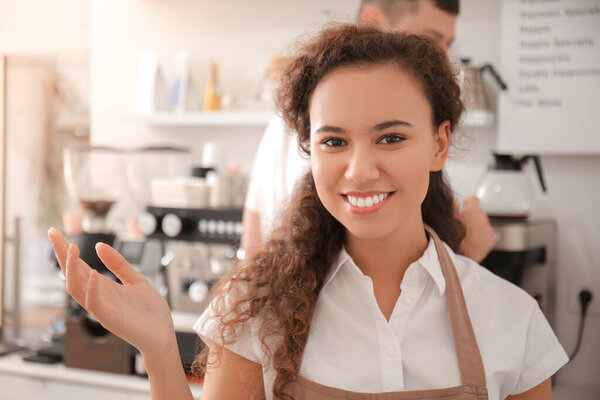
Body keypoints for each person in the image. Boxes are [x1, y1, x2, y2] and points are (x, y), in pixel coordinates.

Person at [49, 25, 568, 400]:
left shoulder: (511, 319)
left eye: (391, 137)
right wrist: (161, 352)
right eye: (335, 141)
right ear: (310, 152)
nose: (360, 170)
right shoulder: (259, 308)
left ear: (439, 144)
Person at [242, 0, 497, 263]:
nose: (442, 59)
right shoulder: (292, 127)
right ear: (372, 21)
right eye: (429, 40)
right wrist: (464, 255)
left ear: (440, 144)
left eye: (390, 139)